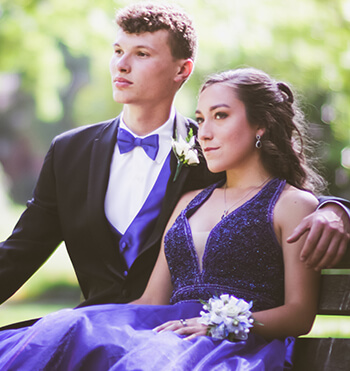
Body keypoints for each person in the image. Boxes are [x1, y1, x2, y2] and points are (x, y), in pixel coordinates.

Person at [0, 2, 349, 325]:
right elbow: (19, 253)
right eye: (118, 51)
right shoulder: (69, 152)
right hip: (99, 327)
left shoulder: (216, 148)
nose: (121, 64)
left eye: (141, 53)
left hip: (176, 337)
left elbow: (276, 198)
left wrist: (337, 210)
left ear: (182, 70)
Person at [0, 67, 328, 370]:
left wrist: (217, 324)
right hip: (167, 331)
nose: (205, 132)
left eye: (221, 116)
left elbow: (300, 315)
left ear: (261, 124)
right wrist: (91, 322)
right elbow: (152, 300)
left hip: (235, 345)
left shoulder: (291, 204)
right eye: (201, 119)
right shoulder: (188, 201)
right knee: (66, 328)